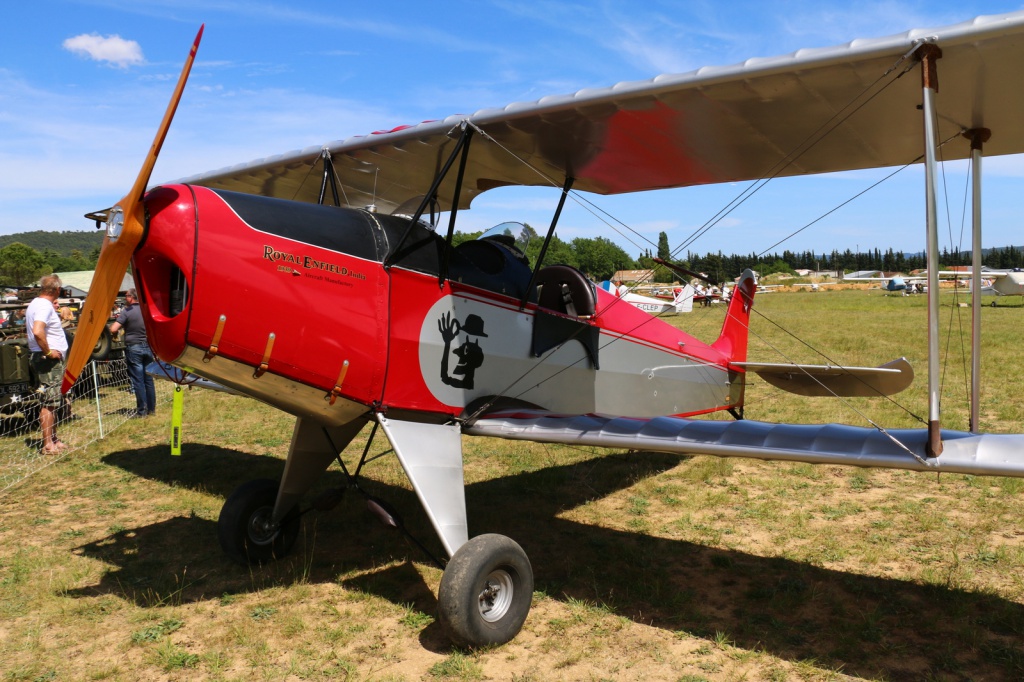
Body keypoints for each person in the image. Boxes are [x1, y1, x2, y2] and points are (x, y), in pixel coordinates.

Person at [26, 275, 69, 454]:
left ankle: (54, 439)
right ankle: (48, 444)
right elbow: (38, 331)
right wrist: (49, 352)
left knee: (53, 401)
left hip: (45, 360)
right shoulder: (44, 306)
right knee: (49, 402)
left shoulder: (36, 303)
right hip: (48, 361)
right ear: (57, 289)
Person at [109, 289, 156, 418]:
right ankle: (151, 410)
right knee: (148, 379)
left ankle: (142, 412)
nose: (125, 298)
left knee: (138, 381)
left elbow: (113, 328)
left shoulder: (127, 311)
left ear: (131, 298)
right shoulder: (146, 309)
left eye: (126, 296)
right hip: (147, 346)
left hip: (134, 348)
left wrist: (114, 334)